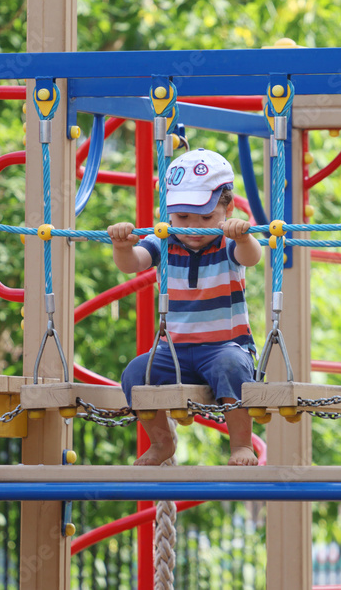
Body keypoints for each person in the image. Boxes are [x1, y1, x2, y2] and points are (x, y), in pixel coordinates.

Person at [107, 148, 261, 466]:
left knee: (232, 368)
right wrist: (123, 246)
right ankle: (163, 442)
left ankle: (242, 445)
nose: (192, 228)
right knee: (135, 374)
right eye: (182, 217)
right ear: (170, 212)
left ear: (227, 207)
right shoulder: (164, 240)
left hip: (224, 347)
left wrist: (243, 238)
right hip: (173, 351)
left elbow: (252, 257)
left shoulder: (226, 241)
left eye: (205, 218)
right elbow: (132, 263)